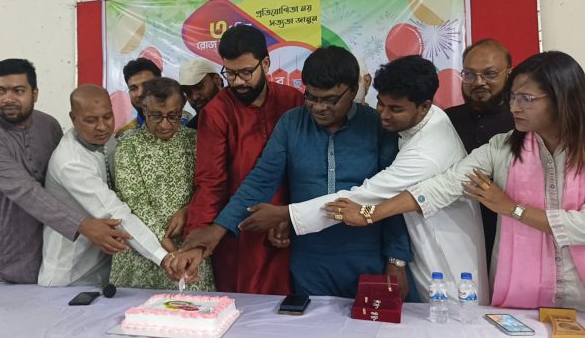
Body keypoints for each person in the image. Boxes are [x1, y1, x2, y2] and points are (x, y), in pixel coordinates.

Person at [335, 51, 585, 311]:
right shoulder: (503, 147)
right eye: (512, 97)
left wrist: (512, 208)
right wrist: (371, 213)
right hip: (525, 287)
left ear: (561, 98)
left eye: (526, 99)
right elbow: (446, 185)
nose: (514, 107)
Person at [242, 55, 487, 303]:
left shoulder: (427, 152)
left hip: (441, 251)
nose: (383, 115)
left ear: (424, 106)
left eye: (395, 109)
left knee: (450, 314)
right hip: (328, 256)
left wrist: (285, 214)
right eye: (380, 104)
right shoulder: (422, 119)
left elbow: (366, 196)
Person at [180, 46, 412, 299]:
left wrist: (396, 259)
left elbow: (392, 195)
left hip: (368, 257)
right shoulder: (291, 123)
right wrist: (218, 229)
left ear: (353, 90)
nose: (319, 107)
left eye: (331, 99)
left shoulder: (377, 126)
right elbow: (260, 181)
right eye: (311, 97)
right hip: (308, 261)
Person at [0, 59, 130, 284]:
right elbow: (27, 192)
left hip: (49, 247)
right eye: (0, 91)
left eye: (18, 91)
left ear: (34, 93)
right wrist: (83, 225)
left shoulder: (48, 125)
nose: (8, 99)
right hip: (7, 255)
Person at [179, 24, 303, 295]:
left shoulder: (293, 102)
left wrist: (289, 215)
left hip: (288, 229)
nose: (237, 82)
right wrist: (199, 237)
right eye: (230, 73)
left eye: (246, 72)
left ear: (265, 64)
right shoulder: (217, 113)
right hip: (237, 233)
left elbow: (306, 168)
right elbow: (210, 181)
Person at [39, 84, 174, 287]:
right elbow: (116, 214)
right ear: (73, 119)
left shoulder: (107, 141)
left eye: (107, 117)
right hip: (68, 275)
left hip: (104, 266)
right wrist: (163, 257)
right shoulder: (71, 162)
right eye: (91, 120)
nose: (102, 127)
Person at [110, 77, 214, 290]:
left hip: (190, 249)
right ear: (144, 108)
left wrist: (188, 210)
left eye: (173, 116)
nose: (165, 124)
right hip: (143, 252)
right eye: (156, 116)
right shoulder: (128, 146)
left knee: (195, 308)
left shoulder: (196, 141)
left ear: (182, 109)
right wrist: (169, 251)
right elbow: (136, 204)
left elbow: (209, 188)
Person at [445, 38, 515, 269]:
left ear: (509, 74)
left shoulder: (522, 122)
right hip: (455, 237)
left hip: (510, 236)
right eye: (469, 74)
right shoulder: (445, 120)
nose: (478, 82)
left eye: (490, 74)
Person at [116, 58, 190, 136]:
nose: (140, 93)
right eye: (133, 88)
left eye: (146, 85)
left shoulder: (187, 121)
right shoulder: (124, 135)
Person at [178, 58, 223, 129]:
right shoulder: (193, 130)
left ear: (217, 80)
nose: (194, 97)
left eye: (199, 87)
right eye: (188, 92)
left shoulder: (240, 108)